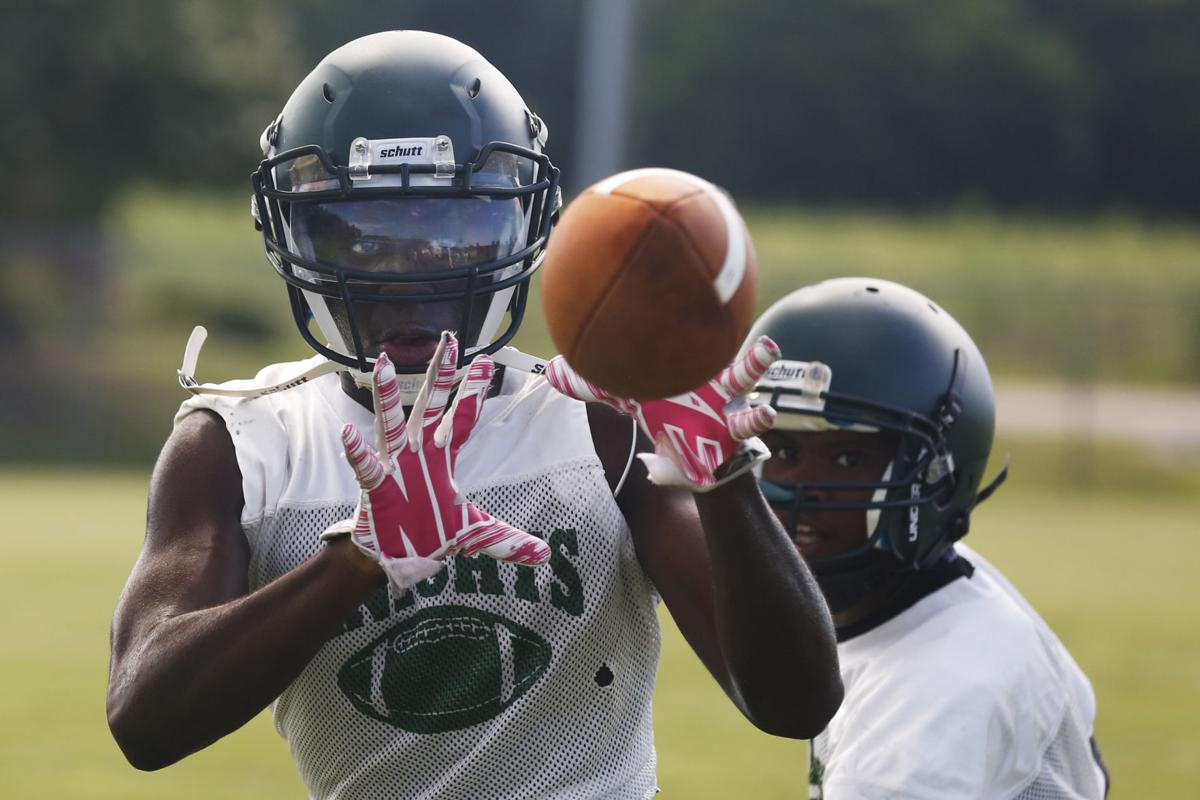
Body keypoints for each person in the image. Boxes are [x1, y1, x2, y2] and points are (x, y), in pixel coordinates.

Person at [105, 30, 842, 799]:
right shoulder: (244, 443)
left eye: (454, 232)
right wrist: (353, 561)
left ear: (523, 229)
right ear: (292, 235)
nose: (409, 274)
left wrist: (726, 481)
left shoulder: (595, 421)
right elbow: (144, 717)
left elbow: (795, 703)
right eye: (363, 237)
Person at [746, 277, 1110, 799]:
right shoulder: (957, 593)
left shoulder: (937, 695)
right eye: (783, 451)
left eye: (848, 458)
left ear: (935, 476)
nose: (804, 488)